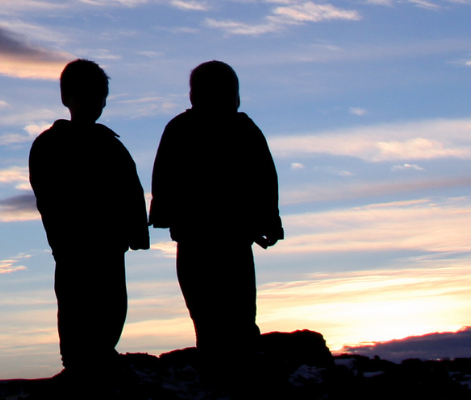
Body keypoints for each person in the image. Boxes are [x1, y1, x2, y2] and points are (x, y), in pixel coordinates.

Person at [148, 60, 283, 392]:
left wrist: (269, 219)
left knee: (220, 323)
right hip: (217, 243)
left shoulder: (196, 128)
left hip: (215, 243)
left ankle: (230, 384)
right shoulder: (235, 129)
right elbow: (265, 180)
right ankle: (233, 384)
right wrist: (269, 220)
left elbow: (264, 180)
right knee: (226, 323)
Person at [28, 59, 151, 387]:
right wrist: (63, 237)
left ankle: (101, 357)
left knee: (111, 306)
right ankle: (79, 369)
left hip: (110, 246)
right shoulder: (49, 145)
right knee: (75, 308)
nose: (94, 103)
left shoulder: (110, 144)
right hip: (73, 248)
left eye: (99, 96)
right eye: (86, 95)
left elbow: (131, 189)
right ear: (66, 98)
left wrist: (137, 230)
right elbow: (48, 198)